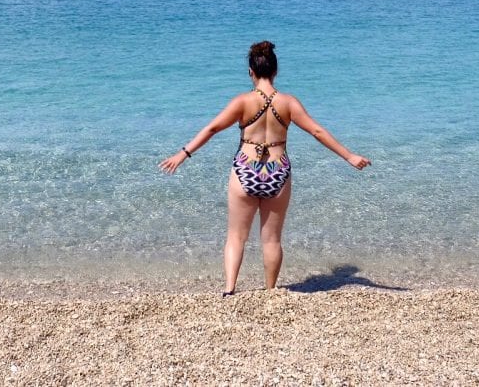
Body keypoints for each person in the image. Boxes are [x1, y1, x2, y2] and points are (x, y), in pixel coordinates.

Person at [159, 40, 371, 295]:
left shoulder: (242, 102)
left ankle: (229, 290)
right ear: (275, 71)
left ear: (251, 71)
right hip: (277, 171)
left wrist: (182, 154)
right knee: (271, 239)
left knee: (236, 236)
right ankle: (271, 291)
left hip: (245, 170)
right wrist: (349, 156)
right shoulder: (289, 103)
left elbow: (212, 128)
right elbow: (316, 130)